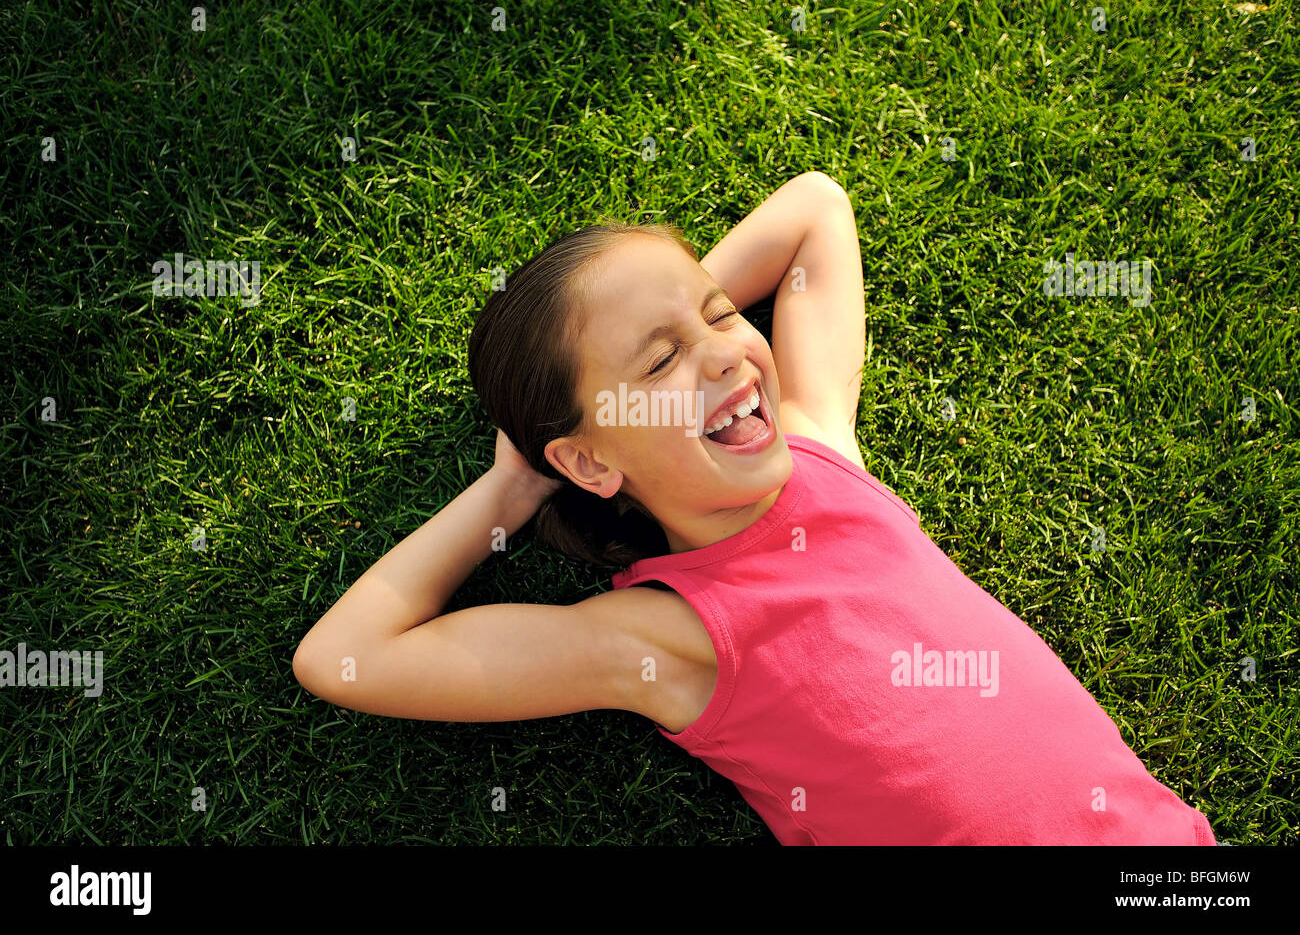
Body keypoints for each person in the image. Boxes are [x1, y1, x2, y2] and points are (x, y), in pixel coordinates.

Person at [292, 171, 1218, 845]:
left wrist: (670, 314)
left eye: (722, 313)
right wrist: (513, 483)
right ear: (587, 460)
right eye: (659, 362)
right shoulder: (665, 638)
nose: (729, 353)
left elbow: (816, 207)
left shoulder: (821, 448)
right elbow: (344, 658)